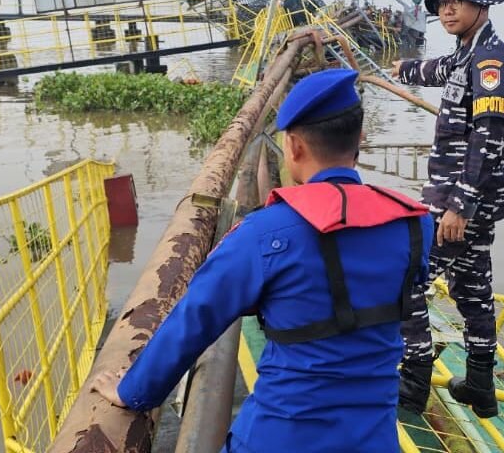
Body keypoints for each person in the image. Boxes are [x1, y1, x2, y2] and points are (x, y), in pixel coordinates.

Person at [94, 68, 435, 453]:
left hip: (280, 437)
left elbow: (195, 318)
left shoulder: (263, 234)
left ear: (293, 147)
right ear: (360, 138)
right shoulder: (416, 225)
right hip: (374, 439)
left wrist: (135, 391)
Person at [387, 0, 504, 419]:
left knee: (405, 280)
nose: (447, 9)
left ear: (482, 5)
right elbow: (439, 68)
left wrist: (460, 204)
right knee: (473, 289)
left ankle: (413, 380)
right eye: (442, 2)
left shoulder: (491, 62)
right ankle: (480, 386)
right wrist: (405, 69)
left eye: (457, 1)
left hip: (460, 200)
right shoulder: (467, 54)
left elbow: (490, 136)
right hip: (471, 200)